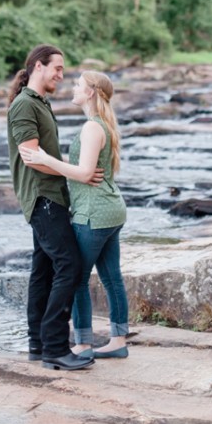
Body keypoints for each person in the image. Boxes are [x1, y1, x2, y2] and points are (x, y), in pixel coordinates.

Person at [20, 70, 130, 360]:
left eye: (79, 84)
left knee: (77, 279)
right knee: (111, 277)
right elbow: (84, 166)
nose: (73, 87)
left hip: (93, 214)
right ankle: (118, 340)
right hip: (110, 211)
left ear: (91, 92)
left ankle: (82, 344)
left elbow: (82, 173)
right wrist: (64, 164)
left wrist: (45, 159)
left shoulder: (92, 127)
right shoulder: (100, 124)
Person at [7, 44, 101, 371]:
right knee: (70, 266)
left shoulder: (40, 103)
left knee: (44, 272)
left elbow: (46, 156)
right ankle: (56, 347)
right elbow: (32, 158)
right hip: (42, 198)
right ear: (37, 66)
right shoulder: (24, 106)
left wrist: (76, 172)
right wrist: (78, 174)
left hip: (53, 196)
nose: (61, 76)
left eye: (62, 70)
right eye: (57, 69)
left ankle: (38, 344)